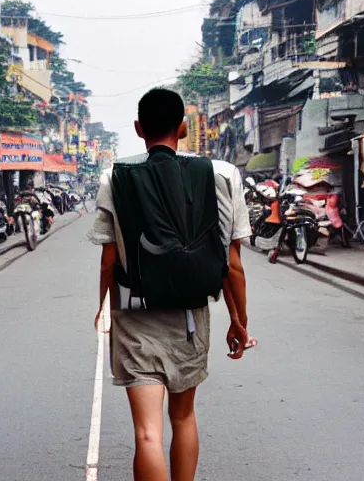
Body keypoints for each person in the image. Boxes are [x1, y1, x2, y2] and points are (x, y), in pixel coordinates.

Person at [89, 88, 255, 481]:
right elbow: (232, 265)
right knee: (183, 417)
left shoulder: (114, 177)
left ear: (138, 128)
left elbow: (109, 260)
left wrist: (101, 308)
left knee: (147, 434)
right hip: (190, 318)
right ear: (183, 127)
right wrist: (239, 321)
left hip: (134, 316)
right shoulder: (222, 174)